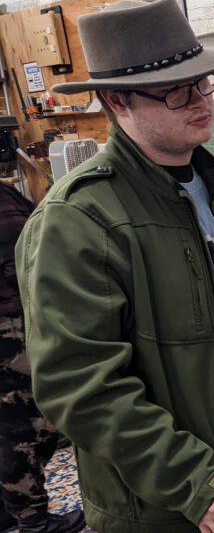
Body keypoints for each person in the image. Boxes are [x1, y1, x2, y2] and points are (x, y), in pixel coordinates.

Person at [16, 0, 214, 533]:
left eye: (202, 81)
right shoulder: (79, 218)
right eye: (174, 89)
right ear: (117, 99)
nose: (199, 99)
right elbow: (81, 388)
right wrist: (194, 480)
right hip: (170, 506)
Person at [1, 183, 86, 533]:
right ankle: (33, 520)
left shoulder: (7, 197)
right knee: (24, 431)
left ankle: (15, 511)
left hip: (22, 321)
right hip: (11, 331)